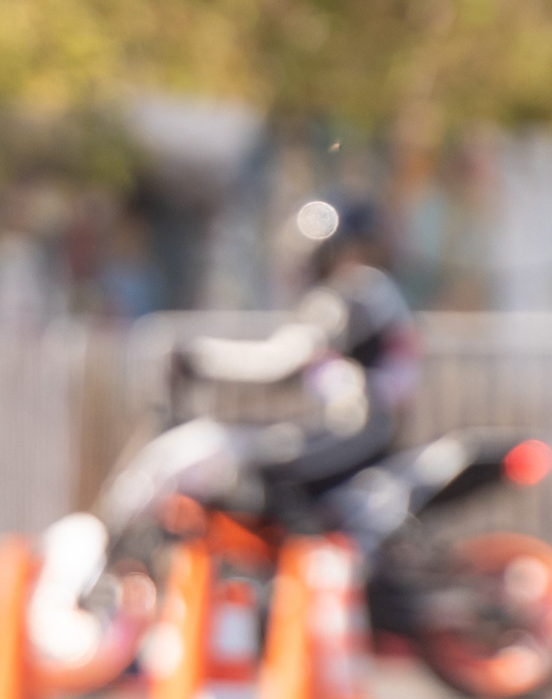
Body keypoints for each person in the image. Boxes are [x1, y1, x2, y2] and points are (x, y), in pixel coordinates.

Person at [173, 197, 418, 495]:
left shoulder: (355, 292)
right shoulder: (377, 292)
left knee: (252, 474)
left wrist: (200, 359)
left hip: (357, 432)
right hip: (369, 432)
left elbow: (282, 361)